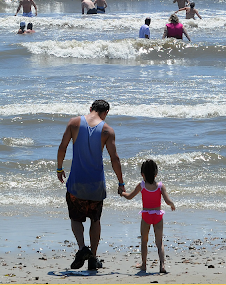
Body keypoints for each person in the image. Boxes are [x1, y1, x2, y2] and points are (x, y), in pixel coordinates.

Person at [56, 100, 125, 271]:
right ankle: (92, 258)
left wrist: (59, 168)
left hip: (77, 183)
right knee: (95, 219)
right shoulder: (107, 130)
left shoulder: (74, 123)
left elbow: (62, 147)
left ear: (90, 109)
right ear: (106, 112)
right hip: (96, 184)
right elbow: (114, 158)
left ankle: (82, 249)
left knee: (75, 218)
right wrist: (121, 182)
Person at [121, 159, 176, 274]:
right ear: (156, 174)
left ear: (142, 174)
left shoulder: (141, 185)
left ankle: (144, 265)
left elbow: (130, 196)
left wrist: (122, 193)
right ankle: (162, 265)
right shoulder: (160, 186)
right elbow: (167, 200)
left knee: (144, 241)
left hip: (146, 215)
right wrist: (172, 204)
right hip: (157, 216)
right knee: (159, 242)